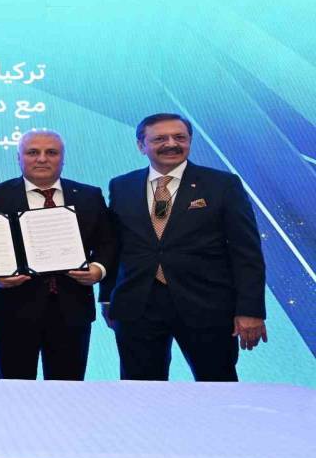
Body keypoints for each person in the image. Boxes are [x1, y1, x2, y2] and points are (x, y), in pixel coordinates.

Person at [101, 113, 267, 381]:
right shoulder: (122, 185)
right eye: (160, 139)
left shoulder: (222, 184)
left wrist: (250, 310)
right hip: (137, 307)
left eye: (179, 137)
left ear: (190, 141)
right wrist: (108, 297)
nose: (171, 144)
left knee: (218, 387)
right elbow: (116, 245)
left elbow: (246, 252)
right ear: (141, 146)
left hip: (207, 307)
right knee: (140, 392)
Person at [0, 130, 114, 380]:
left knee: (68, 390)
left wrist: (98, 269)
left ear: (63, 158)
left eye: (51, 152)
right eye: (32, 152)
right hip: (11, 310)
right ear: (18, 158)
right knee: (13, 389)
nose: (42, 159)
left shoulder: (89, 195)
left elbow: (108, 242)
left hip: (73, 311)